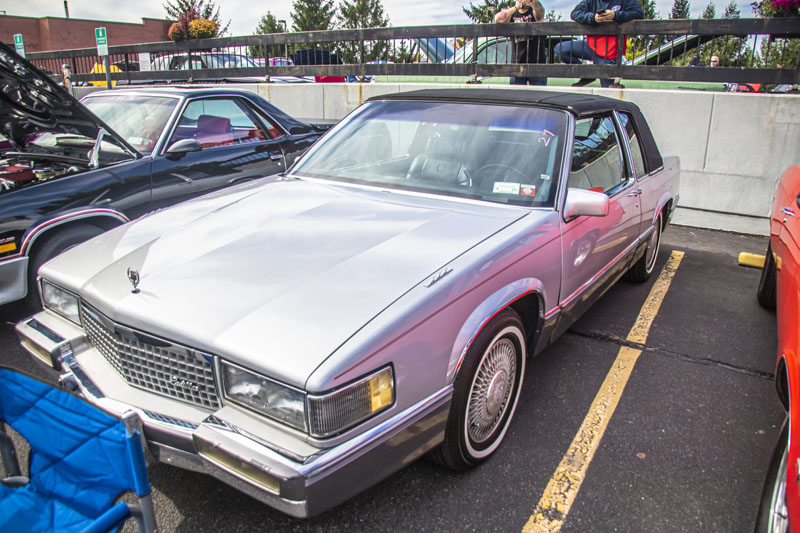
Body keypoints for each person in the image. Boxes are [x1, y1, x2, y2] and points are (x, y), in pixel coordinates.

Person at [553, 0, 644, 88]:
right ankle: (587, 74)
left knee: (606, 89)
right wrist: (593, 17)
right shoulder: (591, 1)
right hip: (591, 44)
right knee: (560, 49)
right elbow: (575, 13)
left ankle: (606, 95)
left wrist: (615, 15)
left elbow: (639, 14)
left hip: (611, 50)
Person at [494, 0, 547, 86]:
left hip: (537, 64)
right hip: (517, 65)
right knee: (516, 97)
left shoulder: (534, 11)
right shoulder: (513, 14)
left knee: (539, 96)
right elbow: (498, 19)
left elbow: (540, 13)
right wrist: (516, 7)